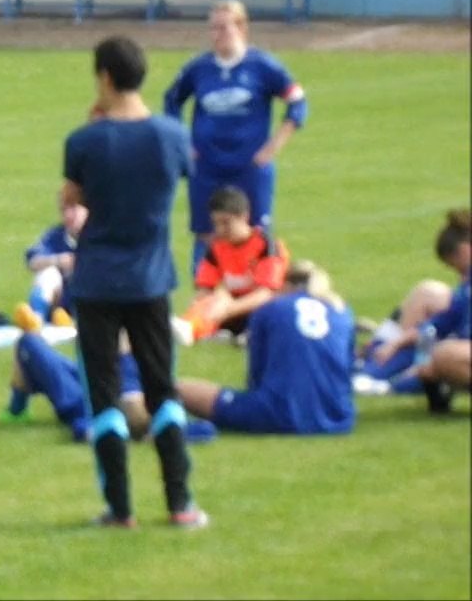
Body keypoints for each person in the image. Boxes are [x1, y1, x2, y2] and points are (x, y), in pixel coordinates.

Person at [62, 35, 205, 529]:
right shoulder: (171, 135)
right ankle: (180, 502)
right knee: (162, 387)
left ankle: (120, 509)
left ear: (104, 77)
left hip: (98, 280)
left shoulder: (85, 141)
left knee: (103, 393)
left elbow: (70, 203)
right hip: (151, 278)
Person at [164, 0, 308, 275]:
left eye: (223, 27)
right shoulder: (198, 68)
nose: (217, 35)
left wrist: (274, 145)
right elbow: (172, 101)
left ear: (241, 28)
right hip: (206, 168)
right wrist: (184, 143)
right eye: (213, 28)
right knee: (208, 234)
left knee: (254, 235)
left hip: (250, 168)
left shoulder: (263, 66)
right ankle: (204, 297)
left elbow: (297, 101)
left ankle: (257, 296)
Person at [177, 261, 356, 435]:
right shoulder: (342, 311)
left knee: (177, 388)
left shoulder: (269, 309)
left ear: (284, 285)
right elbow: (346, 371)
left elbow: (256, 377)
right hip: (338, 417)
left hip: (278, 413)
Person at [0, 334, 218, 445]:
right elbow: (206, 429)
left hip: (81, 395)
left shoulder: (95, 418)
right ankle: (16, 410)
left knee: (28, 344)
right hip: (93, 371)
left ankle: (16, 410)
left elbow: (81, 429)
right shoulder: (158, 403)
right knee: (29, 342)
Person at [361, 210, 471, 412]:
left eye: (455, 266)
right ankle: (384, 375)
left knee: (444, 353)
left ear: (464, 251)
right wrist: (398, 344)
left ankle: (388, 380)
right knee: (431, 350)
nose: (458, 274)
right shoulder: (466, 286)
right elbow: (443, 322)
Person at [172, 186, 290, 346]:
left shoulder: (266, 246)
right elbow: (205, 289)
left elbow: (266, 293)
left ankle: (245, 335)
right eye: (216, 223)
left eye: (226, 223)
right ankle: (189, 327)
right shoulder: (216, 248)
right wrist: (207, 303)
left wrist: (229, 308)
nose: (220, 230)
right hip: (232, 308)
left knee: (271, 311)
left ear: (244, 217)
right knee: (211, 301)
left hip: (261, 308)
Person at [13, 193, 88, 331]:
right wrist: (58, 260)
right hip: (61, 300)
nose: (68, 215)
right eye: (64, 210)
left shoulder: (99, 237)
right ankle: (36, 318)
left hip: (91, 302)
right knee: (48, 273)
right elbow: (32, 261)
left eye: (73, 209)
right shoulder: (56, 235)